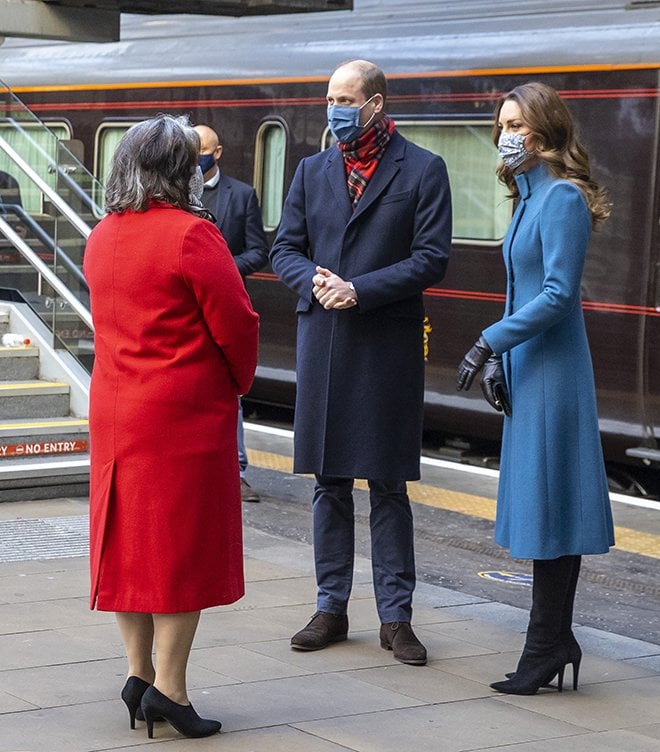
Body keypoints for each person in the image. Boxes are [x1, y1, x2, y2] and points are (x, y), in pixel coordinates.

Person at [269, 59, 452, 666]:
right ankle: (331, 607)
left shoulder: (424, 168)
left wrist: (361, 289)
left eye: (345, 99)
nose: (334, 110)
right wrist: (315, 283)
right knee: (329, 483)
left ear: (375, 104)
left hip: (385, 345)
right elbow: (284, 248)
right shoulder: (311, 169)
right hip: (323, 338)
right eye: (329, 98)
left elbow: (432, 258)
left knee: (389, 484)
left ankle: (396, 618)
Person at [84, 115, 259, 737]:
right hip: (179, 420)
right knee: (178, 555)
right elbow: (237, 322)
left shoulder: (101, 234)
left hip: (114, 412)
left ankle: (137, 676)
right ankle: (172, 691)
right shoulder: (192, 235)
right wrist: (236, 384)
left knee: (128, 549)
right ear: (179, 170)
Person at [456, 82, 615, 695]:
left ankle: (547, 643)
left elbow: (557, 293)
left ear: (546, 131)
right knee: (542, 503)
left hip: (554, 373)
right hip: (528, 366)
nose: (506, 135)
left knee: (554, 505)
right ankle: (552, 640)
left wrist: (489, 341)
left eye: (517, 123)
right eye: (501, 123)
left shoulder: (563, 200)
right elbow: (522, 287)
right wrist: (502, 358)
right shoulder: (526, 200)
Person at [194, 123, 269, 503]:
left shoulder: (241, 196)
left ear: (218, 152)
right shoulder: (174, 193)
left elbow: (259, 250)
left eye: (203, 150)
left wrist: (223, 269)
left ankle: (236, 470)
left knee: (230, 389)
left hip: (225, 301)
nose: (196, 158)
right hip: (188, 307)